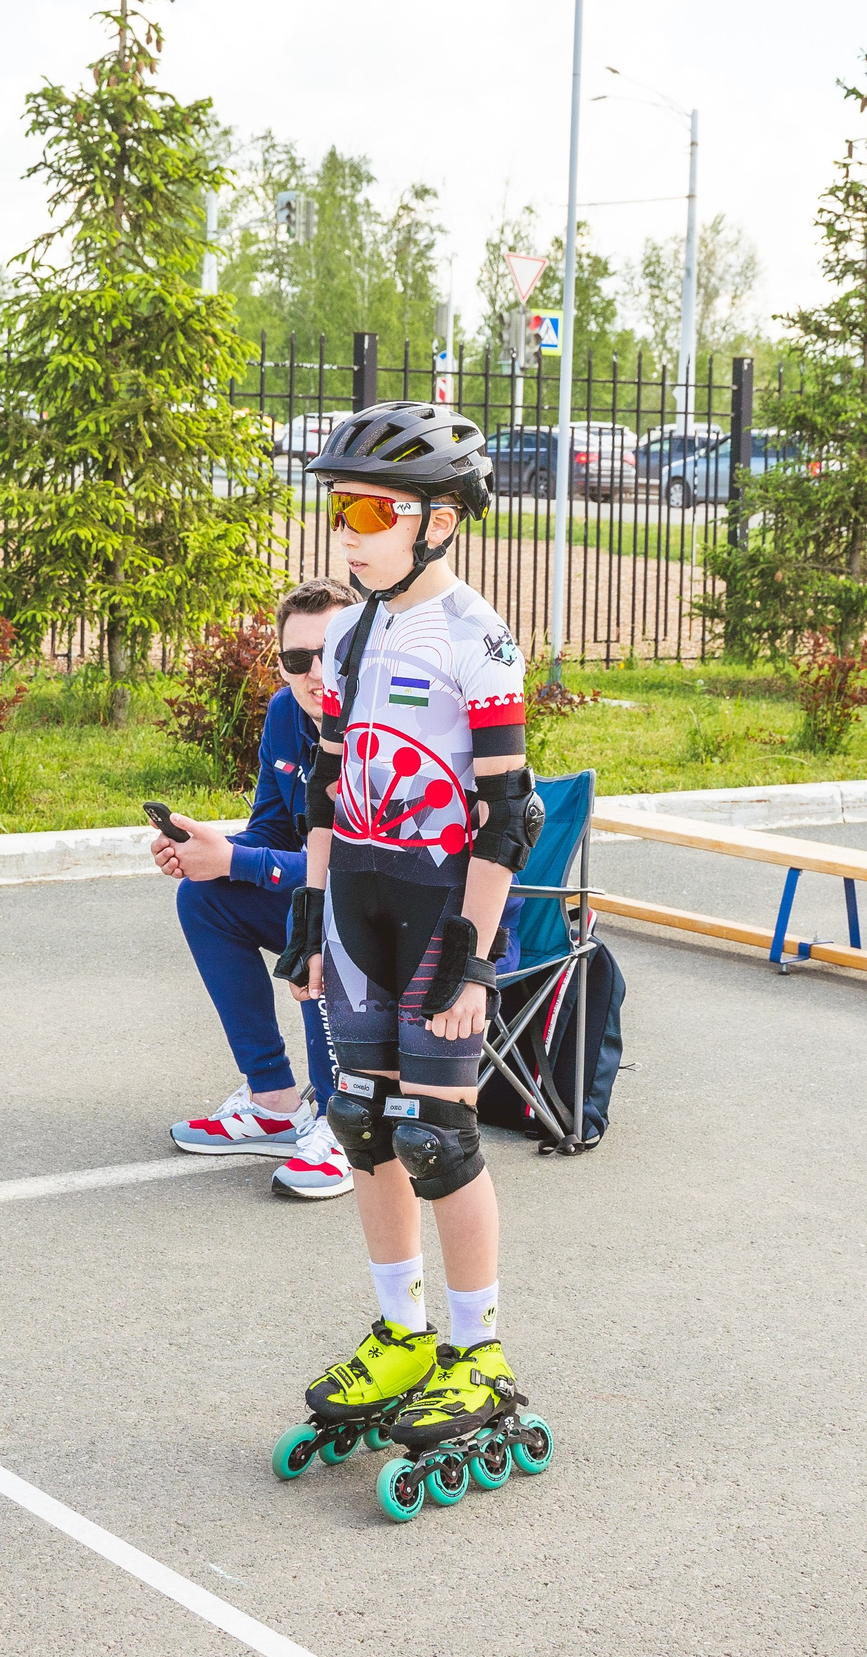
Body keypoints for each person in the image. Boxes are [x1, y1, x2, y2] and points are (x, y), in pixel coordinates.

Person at [278, 399, 545, 1497]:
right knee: (363, 1125)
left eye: (369, 509)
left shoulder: (476, 637)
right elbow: (332, 790)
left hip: (441, 909)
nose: (347, 530)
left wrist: (474, 962)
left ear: (438, 521)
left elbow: (509, 817)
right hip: (357, 910)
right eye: (339, 507)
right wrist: (307, 916)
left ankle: (477, 1354)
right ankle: (402, 1331)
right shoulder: (346, 632)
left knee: (440, 1140)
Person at [162, 576, 361, 1200]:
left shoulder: (388, 723)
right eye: (296, 660)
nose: (314, 673)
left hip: (401, 920)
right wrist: (208, 853)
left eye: (330, 653)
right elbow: (272, 829)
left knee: (318, 919)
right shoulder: (286, 713)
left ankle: (343, 1120)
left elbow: (362, 867)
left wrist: (238, 862)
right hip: (330, 899)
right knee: (205, 898)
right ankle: (275, 1100)